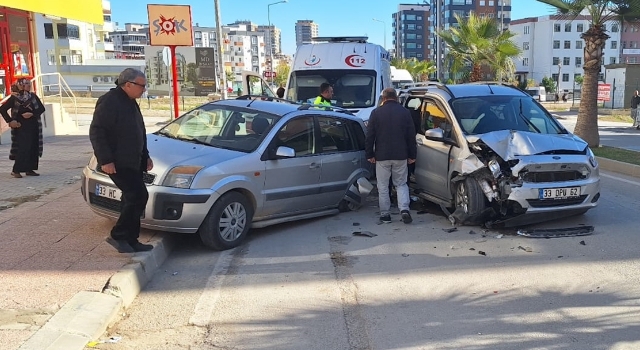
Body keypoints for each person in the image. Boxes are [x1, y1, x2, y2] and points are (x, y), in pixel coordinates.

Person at [89, 68, 154, 253]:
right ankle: (118, 235)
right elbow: (97, 132)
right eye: (141, 85)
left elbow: (138, 132)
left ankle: (130, 239)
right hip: (117, 161)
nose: (144, 89)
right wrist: (106, 159)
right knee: (138, 195)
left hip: (133, 160)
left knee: (131, 198)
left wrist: (146, 156)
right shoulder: (110, 101)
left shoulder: (131, 101)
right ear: (128, 84)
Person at [365, 88, 417, 224]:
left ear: (383, 98)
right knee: (401, 183)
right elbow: (411, 136)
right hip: (401, 155)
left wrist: (369, 154)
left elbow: (370, 136)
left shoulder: (376, 113)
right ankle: (404, 209)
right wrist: (412, 155)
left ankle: (385, 215)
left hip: (381, 156)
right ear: (396, 98)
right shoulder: (405, 113)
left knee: (382, 185)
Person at [0, 79, 45, 178]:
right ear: (21, 86)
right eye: (26, 84)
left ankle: (30, 169)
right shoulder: (14, 98)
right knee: (23, 147)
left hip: (33, 125)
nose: (29, 85)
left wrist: (32, 114)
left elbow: (41, 108)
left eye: (29, 84)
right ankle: (16, 170)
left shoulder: (33, 96)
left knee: (33, 147)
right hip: (21, 126)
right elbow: (2, 109)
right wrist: (10, 121)